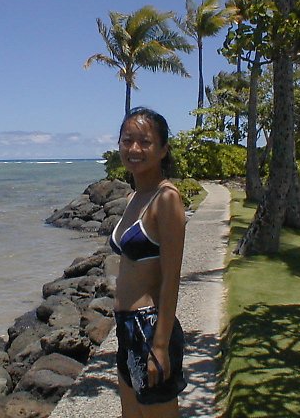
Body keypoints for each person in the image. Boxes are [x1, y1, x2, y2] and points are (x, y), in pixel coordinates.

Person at [109, 107, 187, 418]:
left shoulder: (166, 198)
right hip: (126, 328)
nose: (134, 149)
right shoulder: (133, 198)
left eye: (145, 142)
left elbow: (171, 277)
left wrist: (160, 345)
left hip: (149, 327)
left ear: (163, 149)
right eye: (127, 140)